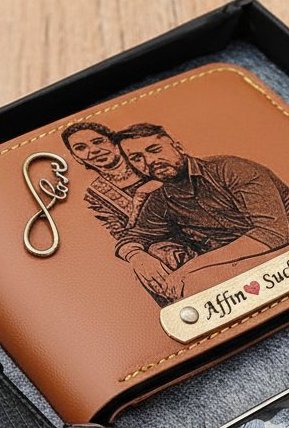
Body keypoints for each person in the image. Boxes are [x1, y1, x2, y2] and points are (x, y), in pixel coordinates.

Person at [111, 123, 289, 301]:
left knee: (194, 283)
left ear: (178, 146)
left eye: (155, 150)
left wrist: (190, 268)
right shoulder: (160, 199)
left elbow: (272, 233)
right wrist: (136, 256)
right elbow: (133, 236)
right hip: (242, 260)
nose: (149, 161)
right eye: (137, 158)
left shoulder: (230, 168)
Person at [61, 122, 193, 298]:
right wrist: (136, 255)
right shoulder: (95, 195)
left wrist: (151, 187)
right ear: (76, 157)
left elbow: (190, 173)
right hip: (156, 247)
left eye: (98, 141)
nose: (93, 150)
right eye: (80, 148)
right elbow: (121, 234)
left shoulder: (145, 159)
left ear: (114, 142)